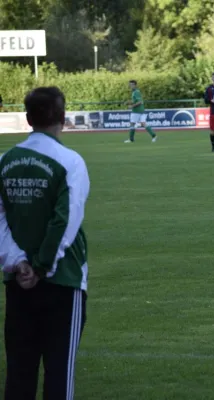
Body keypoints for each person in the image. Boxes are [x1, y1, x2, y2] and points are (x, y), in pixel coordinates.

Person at [0, 86, 90, 400]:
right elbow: (65, 221)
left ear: (27, 118)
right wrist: (40, 267)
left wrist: (18, 261)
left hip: (17, 280)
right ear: (63, 119)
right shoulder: (70, 162)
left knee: (19, 374)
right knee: (59, 376)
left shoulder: (5, 161)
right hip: (62, 280)